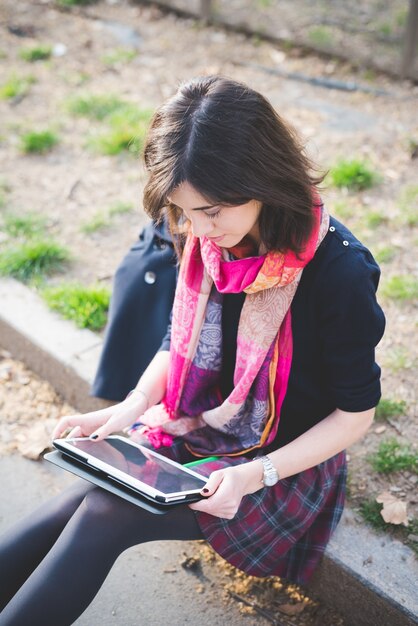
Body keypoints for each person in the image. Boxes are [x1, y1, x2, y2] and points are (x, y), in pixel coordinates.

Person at [0, 76, 385, 625]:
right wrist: (128, 408)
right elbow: (178, 339)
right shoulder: (197, 228)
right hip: (197, 422)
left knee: (104, 511)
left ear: (263, 179)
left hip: (281, 459)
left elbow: (355, 415)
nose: (197, 228)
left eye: (212, 211)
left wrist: (256, 475)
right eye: (183, 211)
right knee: (84, 498)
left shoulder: (339, 271)